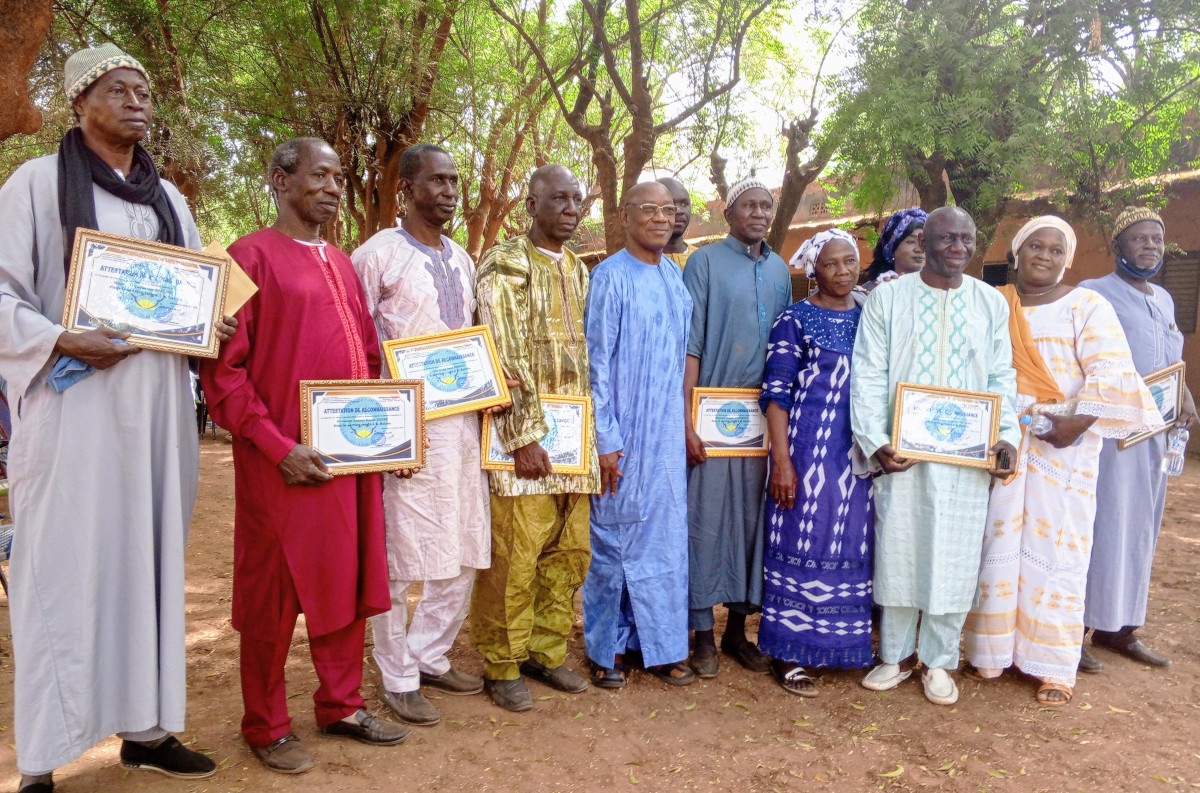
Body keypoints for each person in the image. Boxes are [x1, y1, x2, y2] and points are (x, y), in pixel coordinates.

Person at [0, 43, 237, 792]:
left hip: (159, 418)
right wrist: (61, 335)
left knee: (151, 563)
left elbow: (199, 304)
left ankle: (147, 730)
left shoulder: (172, 201)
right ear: (79, 101)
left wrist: (210, 326)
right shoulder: (37, 185)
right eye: (118, 88)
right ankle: (40, 757)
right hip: (73, 414)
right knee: (60, 572)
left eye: (143, 90)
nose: (137, 100)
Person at [200, 137, 408, 774]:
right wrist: (276, 445)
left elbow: (370, 358)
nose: (333, 187)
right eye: (319, 175)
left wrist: (389, 433)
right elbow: (222, 373)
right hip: (279, 462)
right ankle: (264, 723)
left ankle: (340, 704)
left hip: (345, 460)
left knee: (344, 579)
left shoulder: (343, 264)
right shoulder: (246, 257)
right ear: (280, 180)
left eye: (339, 177)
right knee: (271, 591)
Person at [962, 216, 1162, 705]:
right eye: (1035, 246)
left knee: (1060, 552)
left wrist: (1074, 424)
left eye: (1056, 249)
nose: (1044, 256)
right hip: (1005, 440)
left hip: (1066, 448)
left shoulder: (1086, 305)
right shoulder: (995, 303)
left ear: (1067, 259)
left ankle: (1053, 665)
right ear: (1016, 251)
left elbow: (1112, 372)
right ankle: (990, 654)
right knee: (996, 544)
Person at [849, 206, 1019, 706]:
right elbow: (869, 373)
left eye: (967, 238)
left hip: (966, 459)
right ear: (927, 242)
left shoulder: (990, 303)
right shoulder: (889, 299)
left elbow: (1000, 377)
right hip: (903, 454)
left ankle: (940, 660)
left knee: (955, 554)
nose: (958, 248)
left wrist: (1005, 435)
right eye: (947, 238)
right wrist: (877, 440)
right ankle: (895, 656)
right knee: (900, 549)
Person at [351, 143, 491, 725]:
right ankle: (396, 672)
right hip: (406, 431)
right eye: (437, 181)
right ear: (406, 187)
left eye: (455, 181)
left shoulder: (462, 258)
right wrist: (383, 434)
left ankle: (429, 654)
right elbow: (356, 349)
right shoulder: (378, 254)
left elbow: (472, 336)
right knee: (401, 555)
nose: (450, 191)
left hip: (464, 427)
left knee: (465, 547)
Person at [471, 164, 599, 711]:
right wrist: (523, 434)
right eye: (560, 198)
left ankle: (544, 654)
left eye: (577, 199)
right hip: (525, 442)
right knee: (516, 556)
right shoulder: (505, 261)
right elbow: (503, 350)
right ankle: (502, 663)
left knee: (569, 552)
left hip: (576, 441)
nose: (571, 208)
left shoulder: (577, 267)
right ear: (532, 203)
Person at [582, 181, 695, 688]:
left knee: (664, 543)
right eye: (647, 209)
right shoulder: (609, 277)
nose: (659, 218)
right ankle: (607, 648)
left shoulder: (675, 278)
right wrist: (605, 438)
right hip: (623, 433)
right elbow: (597, 364)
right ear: (625, 216)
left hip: (666, 437)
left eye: (667, 210)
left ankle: (662, 647)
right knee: (615, 538)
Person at [1078, 206, 1199, 670]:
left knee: (1141, 529)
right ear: (1118, 246)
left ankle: (1120, 628)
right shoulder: (1094, 295)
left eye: (1157, 238)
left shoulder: (1165, 300)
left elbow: (1170, 362)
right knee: (1102, 523)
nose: (1150, 245)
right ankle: (1078, 630)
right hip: (1111, 434)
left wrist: (1185, 398)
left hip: (1155, 437)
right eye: (1139, 238)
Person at [680, 176, 791, 678]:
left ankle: (737, 631)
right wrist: (686, 420)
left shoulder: (781, 270)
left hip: (763, 419)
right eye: (749, 205)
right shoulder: (703, 263)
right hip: (711, 413)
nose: (759, 213)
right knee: (706, 521)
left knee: (754, 525)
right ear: (729, 213)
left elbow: (786, 353)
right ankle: (703, 633)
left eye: (765, 206)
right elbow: (692, 345)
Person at [759, 229, 875, 697]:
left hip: (860, 457)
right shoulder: (795, 319)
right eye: (831, 264)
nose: (843, 271)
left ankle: (838, 645)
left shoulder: (872, 315)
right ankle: (788, 652)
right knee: (801, 540)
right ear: (814, 271)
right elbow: (777, 394)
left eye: (850, 261)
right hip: (807, 453)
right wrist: (782, 461)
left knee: (849, 542)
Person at [863, 208, 926, 290]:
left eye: (924, 242)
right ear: (892, 249)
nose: (920, 249)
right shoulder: (873, 289)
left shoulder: (940, 289)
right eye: (911, 241)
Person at [657, 176, 693, 268]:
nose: (679, 210)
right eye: (669, 204)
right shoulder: (637, 263)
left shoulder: (704, 259)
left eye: (684, 204)